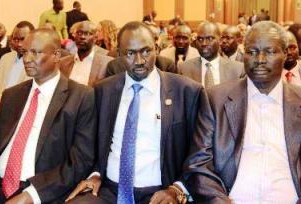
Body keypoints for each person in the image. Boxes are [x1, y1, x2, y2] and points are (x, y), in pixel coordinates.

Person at [66, 21, 207, 204]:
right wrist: (94, 174)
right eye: (130, 53)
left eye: (146, 51)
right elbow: (90, 144)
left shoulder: (186, 92)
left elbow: (200, 152)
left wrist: (177, 189)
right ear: (118, 55)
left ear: (156, 48)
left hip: (160, 192)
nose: (140, 61)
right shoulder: (103, 91)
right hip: (108, 189)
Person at [184, 21, 300, 203]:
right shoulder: (216, 99)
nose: (260, 59)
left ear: (285, 54)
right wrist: (218, 200)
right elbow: (199, 163)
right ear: (243, 54)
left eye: (270, 52)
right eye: (252, 52)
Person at [0, 28, 96, 203]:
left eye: (35, 52)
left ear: (56, 55)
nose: (27, 59)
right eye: (25, 52)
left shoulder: (81, 97)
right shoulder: (12, 94)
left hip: (40, 190)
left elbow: (79, 162)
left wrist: (31, 195)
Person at [179, 21, 244, 88]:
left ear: (219, 40)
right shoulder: (184, 69)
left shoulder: (237, 70)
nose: (204, 43)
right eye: (200, 39)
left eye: (210, 39)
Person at [61, 20, 113, 87]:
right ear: (74, 36)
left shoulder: (106, 63)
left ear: (95, 38)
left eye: (87, 33)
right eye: (79, 33)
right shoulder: (63, 63)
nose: (82, 37)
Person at [0, 21, 35, 93]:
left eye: (23, 39)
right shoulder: (5, 58)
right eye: (16, 39)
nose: (19, 44)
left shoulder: (37, 62)